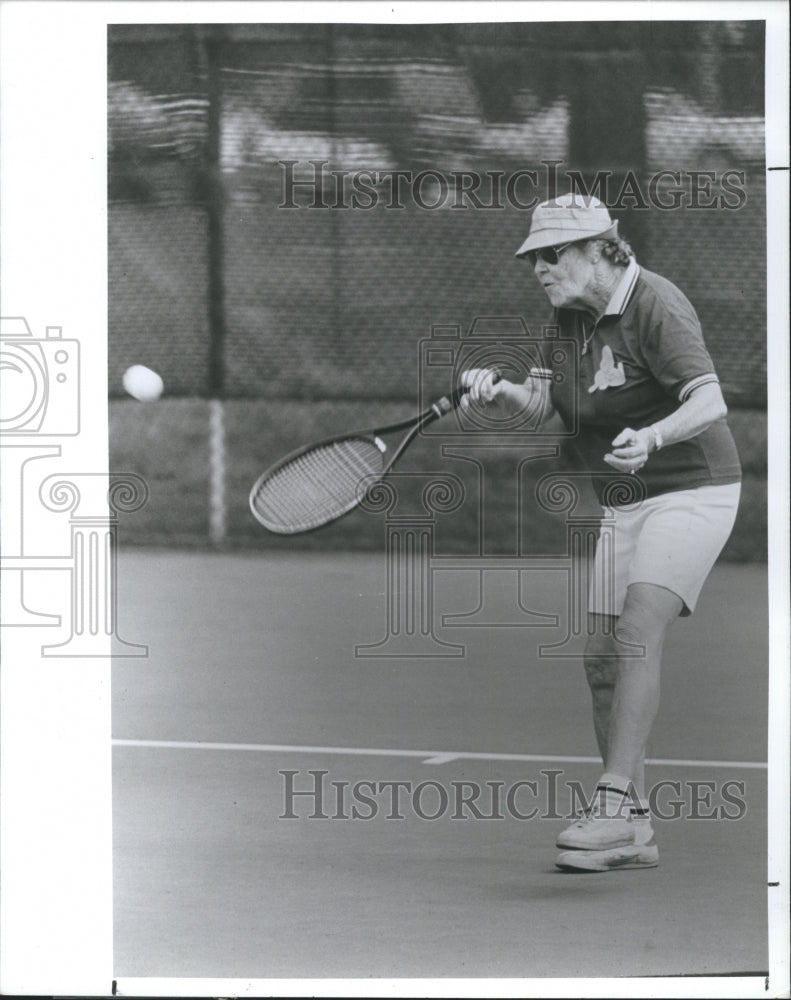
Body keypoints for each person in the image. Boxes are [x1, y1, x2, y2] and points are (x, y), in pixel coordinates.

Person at [460, 193, 741, 872]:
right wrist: (503, 395)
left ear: (597, 250)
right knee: (598, 661)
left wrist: (650, 436)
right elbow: (554, 415)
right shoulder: (564, 319)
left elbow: (709, 399)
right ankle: (634, 829)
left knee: (635, 631)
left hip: (693, 489)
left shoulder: (655, 304)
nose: (540, 269)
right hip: (623, 500)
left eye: (552, 255)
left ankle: (611, 804)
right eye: (534, 259)